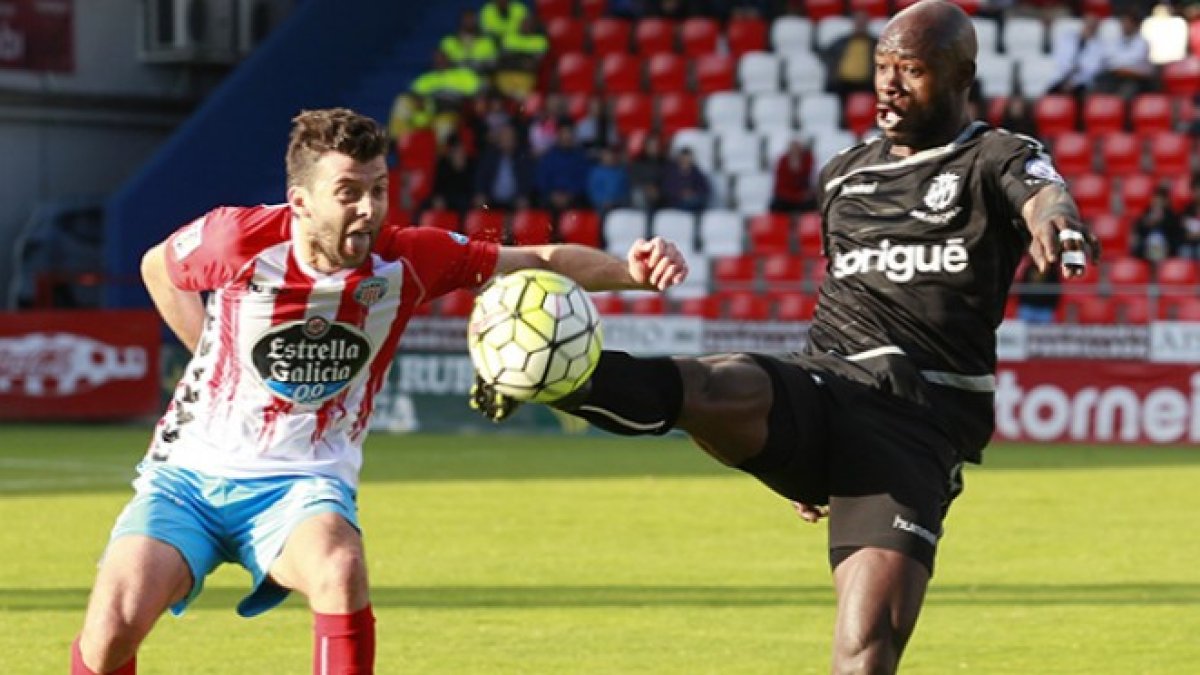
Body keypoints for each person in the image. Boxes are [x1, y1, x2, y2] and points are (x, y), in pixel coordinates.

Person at [471, 2, 1100, 672]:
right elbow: (843, 297)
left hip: (914, 422)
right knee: (705, 383)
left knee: (864, 650)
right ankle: (542, 375)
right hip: (823, 385)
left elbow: (1042, 194)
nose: (888, 84)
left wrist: (1056, 222)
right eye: (883, 68)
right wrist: (806, 445)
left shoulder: (994, 156)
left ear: (960, 76)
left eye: (910, 71)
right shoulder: (844, 174)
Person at [71, 107, 688, 675]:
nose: (368, 208)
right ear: (300, 201)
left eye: (378, 190)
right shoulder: (236, 242)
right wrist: (208, 343)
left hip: (303, 483)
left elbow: (540, 260)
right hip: (189, 476)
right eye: (348, 193)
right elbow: (158, 265)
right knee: (110, 632)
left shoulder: (407, 260)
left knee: (341, 568)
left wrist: (630, 272)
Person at [1048, 13, 1105, 98]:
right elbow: (1060, 60)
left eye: (1092, 27)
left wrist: (1074, 81)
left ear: (1096, 29)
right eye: (1087, 25)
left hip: (1082, 83)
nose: (1089, 29)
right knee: (1049, 95)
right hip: (1062, 78)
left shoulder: (1099, 47)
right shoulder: (1068, 39)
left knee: (1080, 95)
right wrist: (1068, 75)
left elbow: (1092, 69)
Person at [1129, 186, 1185, 262]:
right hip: (1147, 248)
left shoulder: (1173, 216)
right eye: (1155, 199)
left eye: (1160, 200)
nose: (1157, 202)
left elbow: (1175, 235)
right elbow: (1139, 231)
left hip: (1167, 248)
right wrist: (1148, 224)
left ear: (1166, 201)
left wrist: (1161, 221)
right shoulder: (1145, 215)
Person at [769, 138, 816, 213]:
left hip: (802, 198)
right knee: (776, 205)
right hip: (788, 198)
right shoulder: (782, 162)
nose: (795, 152)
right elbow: (780, 189)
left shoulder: (807, 160)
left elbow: (810, 182)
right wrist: (798, 196)